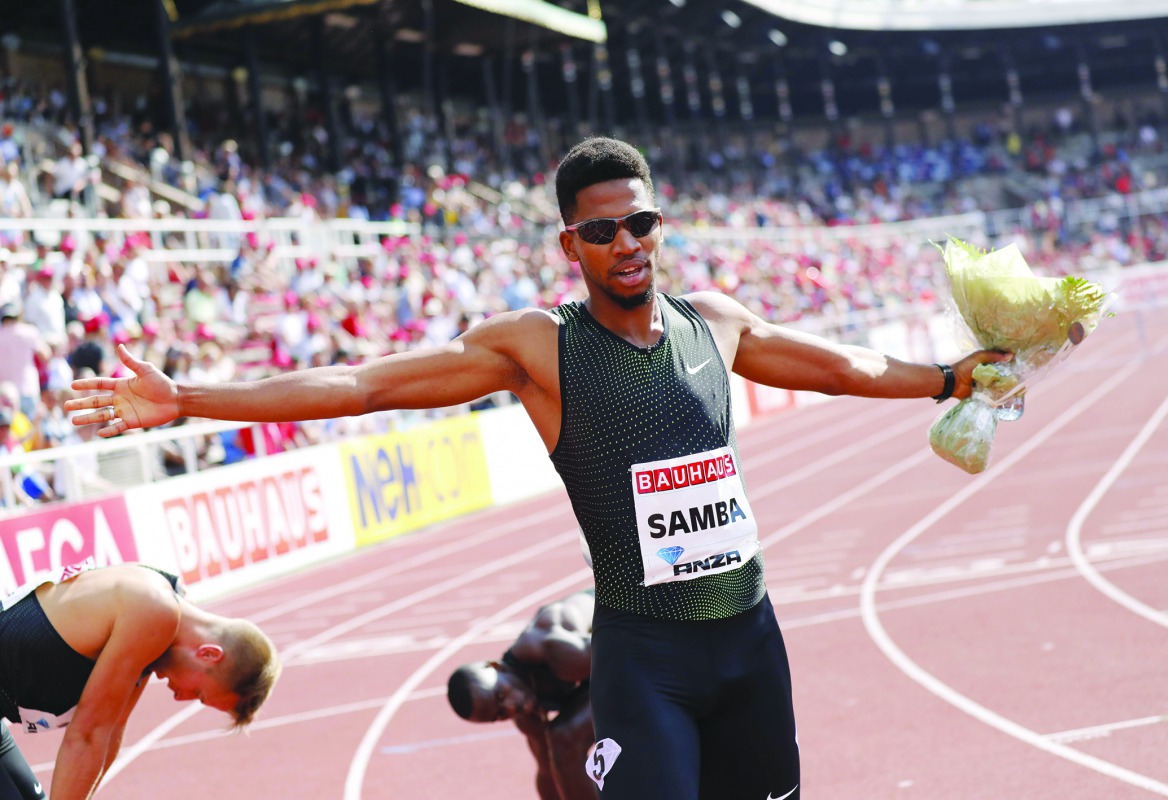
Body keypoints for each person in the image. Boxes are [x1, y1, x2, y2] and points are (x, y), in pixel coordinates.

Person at [67, 136, 1009, 799]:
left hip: (752, 641)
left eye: (640, 222)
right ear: (571, 246)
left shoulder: (715, 324)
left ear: (659, 225)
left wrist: (949, 378)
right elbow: (361, 384)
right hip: (645, 659)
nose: (627, 243)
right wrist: (192, 399)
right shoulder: (540, 349)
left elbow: (847, 368)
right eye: (602, 231)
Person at [0, 561, 280, 800]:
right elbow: (86, 736)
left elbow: (109, 733)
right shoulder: (155, 610)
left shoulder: (162, 627)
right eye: (197, 693)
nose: (180, 698)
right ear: (208, 654)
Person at [447, 589, 596, 800]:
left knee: (564, 737)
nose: (510, 707)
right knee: (557, 745)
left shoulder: (558, 651)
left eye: (501, 695)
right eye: (499, 714)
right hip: (609, 663)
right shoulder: (524, 711)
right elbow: (549, 775)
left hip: (639, 624)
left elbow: (630, 656)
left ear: (496, 666)